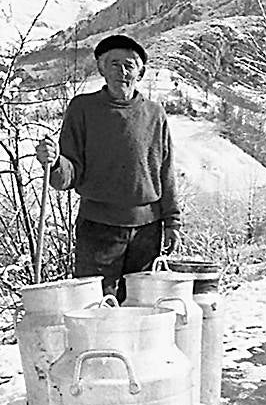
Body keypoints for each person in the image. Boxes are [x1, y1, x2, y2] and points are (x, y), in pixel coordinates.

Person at [36, 34, 181, 299]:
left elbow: (166, 171)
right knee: (94, 307)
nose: (122, 72)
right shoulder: (83, 109)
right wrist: (55, 161)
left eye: (129, 65)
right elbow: (69, 172)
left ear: (141, 72)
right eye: (113, 64)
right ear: (101, 68)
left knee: (141, 307)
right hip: (98, 229)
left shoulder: (154, 114)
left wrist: (172, 222)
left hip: (147, 231)